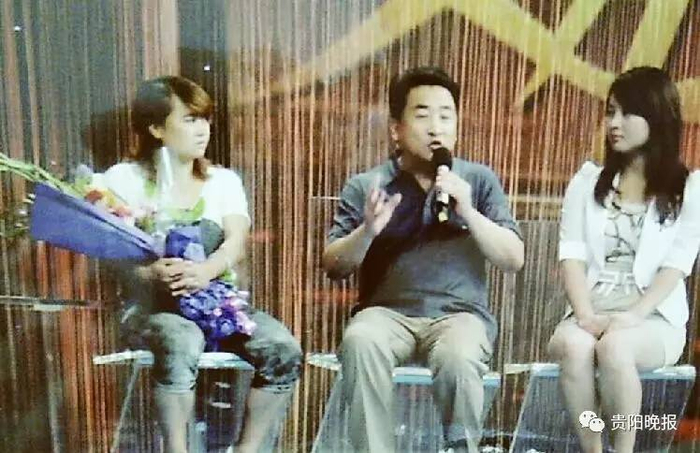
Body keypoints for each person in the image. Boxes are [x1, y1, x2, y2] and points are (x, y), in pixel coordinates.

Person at [321, 66, 524, 453]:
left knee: (458, 356)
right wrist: (368, 230)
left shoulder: (477, 181)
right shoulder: (367, 185)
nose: (436, 128)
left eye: (446, 116)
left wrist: (469, 211)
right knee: (361, 340)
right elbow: (334, 265)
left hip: (459, 315)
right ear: (396, 129)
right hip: (386, 314)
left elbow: (514, 258)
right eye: (423, 115)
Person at [104, 76, 302, 453]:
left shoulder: (222, 181)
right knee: (181, 340)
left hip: (220, 305)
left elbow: (236, 241)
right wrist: (150, 273)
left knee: (283, 348)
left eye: (205, 119)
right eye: (190, 119)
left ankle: (247, 449)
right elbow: (110, 253)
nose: (203, 129)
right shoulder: (122, 179)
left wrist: (206, 272)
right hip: (153, 308)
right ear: (156, 128)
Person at [548, 66, 700, 453]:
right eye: (610, 112)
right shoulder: (587, 182)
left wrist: (633, 316)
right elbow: (571, 256)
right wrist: (585, 316)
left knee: (615, 349)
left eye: (627, 113)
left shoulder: (688, 188)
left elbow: (677, 264)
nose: (614, 123)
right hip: (590, 311)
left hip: (653, 318)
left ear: (657, 117)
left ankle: (624, 448)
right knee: (574, 348)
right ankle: (592, 449)